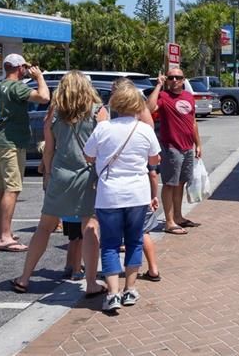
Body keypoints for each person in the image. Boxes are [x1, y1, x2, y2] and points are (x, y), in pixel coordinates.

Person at [10, 70, 107, 295]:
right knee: (90, 226)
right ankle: (91, 282)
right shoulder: (98, 111)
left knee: (44, 227)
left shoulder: (54, 112)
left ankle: (24, 278)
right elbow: (104, 146)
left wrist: (47, 171)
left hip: (60, 174)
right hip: (88, 174)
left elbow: (49, 149)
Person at [84, 79, 161, 313]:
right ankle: (130, 289)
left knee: (109, 244)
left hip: (109, 194)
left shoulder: (103, 128)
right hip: (138, 193)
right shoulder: (145, 130)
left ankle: (113, 292)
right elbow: (155, 160)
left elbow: (88, 156)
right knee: (134, 241)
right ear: (137, 104)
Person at [0, 53, 49, 252]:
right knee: (12, 188)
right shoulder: (17, 87)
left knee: (0, 188)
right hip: (11, 143)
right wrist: (40, 77)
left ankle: (1, 232)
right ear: (19, 68)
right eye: (25, 66)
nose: (26, 69)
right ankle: (5, 237)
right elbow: (44, 98)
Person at [108, 78, 162, 281]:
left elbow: (148, 127)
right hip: (137, 166)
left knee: (140, 229)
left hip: (135, 167)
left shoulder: (134, 107)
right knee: (138, 228)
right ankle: (151, 269)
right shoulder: (134, 105)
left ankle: (152, 268)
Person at [147, 68, 203, 235]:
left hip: (187, 147)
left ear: (183, 79)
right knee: (170, 184)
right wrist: (158, 85)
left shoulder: (188, 97)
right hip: (172, 148)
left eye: (178, 77)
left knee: (180, 183)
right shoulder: (164, 97)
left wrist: (198, 144)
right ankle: (169, 221)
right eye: (171, 77)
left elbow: (193, 122)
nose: (174, 80)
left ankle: (178, 217)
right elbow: (148, 108)